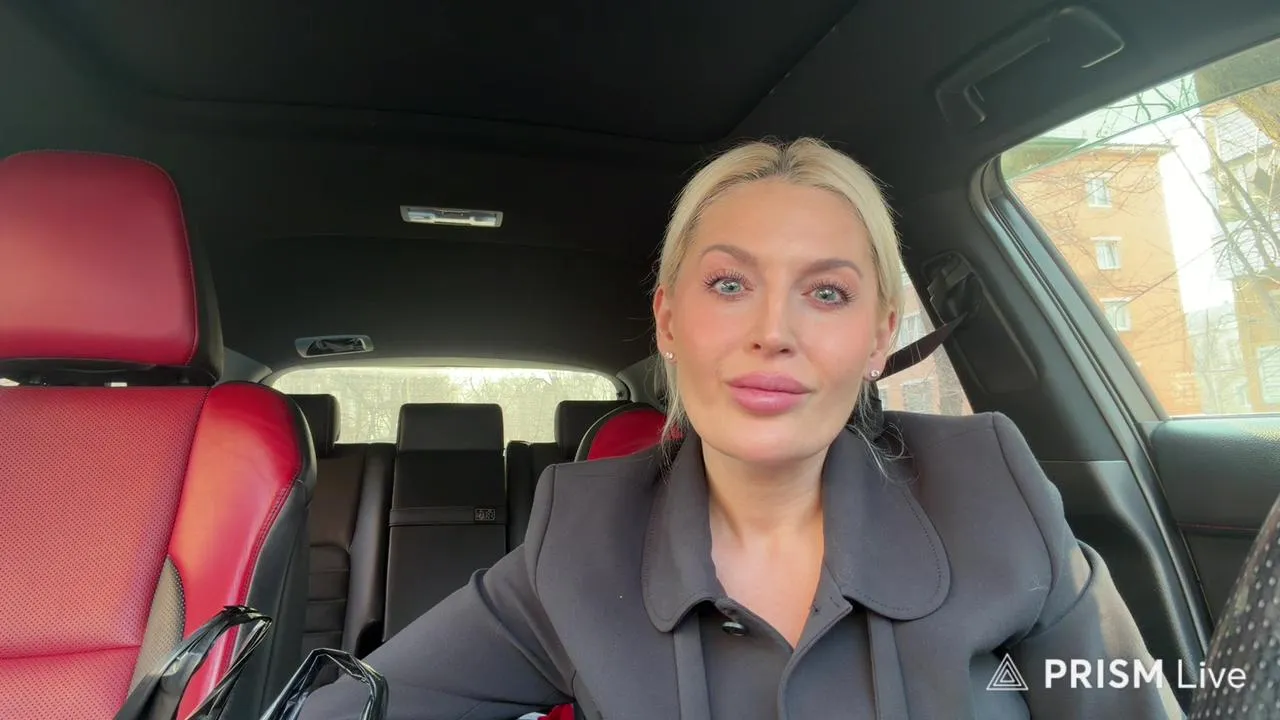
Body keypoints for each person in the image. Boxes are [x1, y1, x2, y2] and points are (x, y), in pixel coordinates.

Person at [298, 138, 1184, 719]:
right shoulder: (578, 542)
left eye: (827, 292)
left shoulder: (992, 492)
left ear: (879, 338)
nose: (773, 331)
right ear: (669, 320)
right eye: (729, 284)